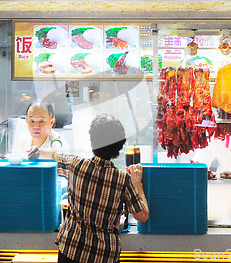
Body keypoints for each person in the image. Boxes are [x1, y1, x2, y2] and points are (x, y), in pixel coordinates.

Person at [32, 113, 149, 263]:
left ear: (92, 144)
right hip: (104, 256)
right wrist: (138, 183)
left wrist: (37, 151)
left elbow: (54, 156)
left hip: (71, 251)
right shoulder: (122, 179)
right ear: (118, 148)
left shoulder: (76, 164)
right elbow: (142, 216)